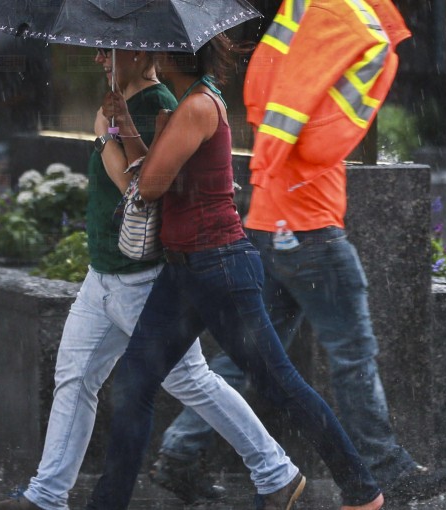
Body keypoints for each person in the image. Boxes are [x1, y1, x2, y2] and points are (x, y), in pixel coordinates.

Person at [152, 0, 446, 506]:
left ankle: (181, 453)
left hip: (271, 222)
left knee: (253, 357)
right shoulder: (332, 19)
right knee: (353, 354)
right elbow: (304, 121)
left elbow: (285, 104)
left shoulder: (301, 21)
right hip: (307, 228)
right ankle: (389, 467)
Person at [0, 47, 301, 510]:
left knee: (191, 381)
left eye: (110, 51)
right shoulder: (120, 104)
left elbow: (138, 188)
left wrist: (104, 133)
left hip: (143, 279)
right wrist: (108, 123)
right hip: (103, 273)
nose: (99, 60)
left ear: (141, 51)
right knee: (76, 378)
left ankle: (276, 471)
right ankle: (45, 496)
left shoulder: (161, 105)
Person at [85, 34, 384, 510]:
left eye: (158, 52)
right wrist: (126, 123)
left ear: (171, 54)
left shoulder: (199, 106)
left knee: (280, 385)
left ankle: (363, 491)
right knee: (134, 383)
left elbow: (151, 187)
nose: (151, 58)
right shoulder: (184, 104)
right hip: (184, 270)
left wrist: (117, 136)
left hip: (219, 267)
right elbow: (159, 175)